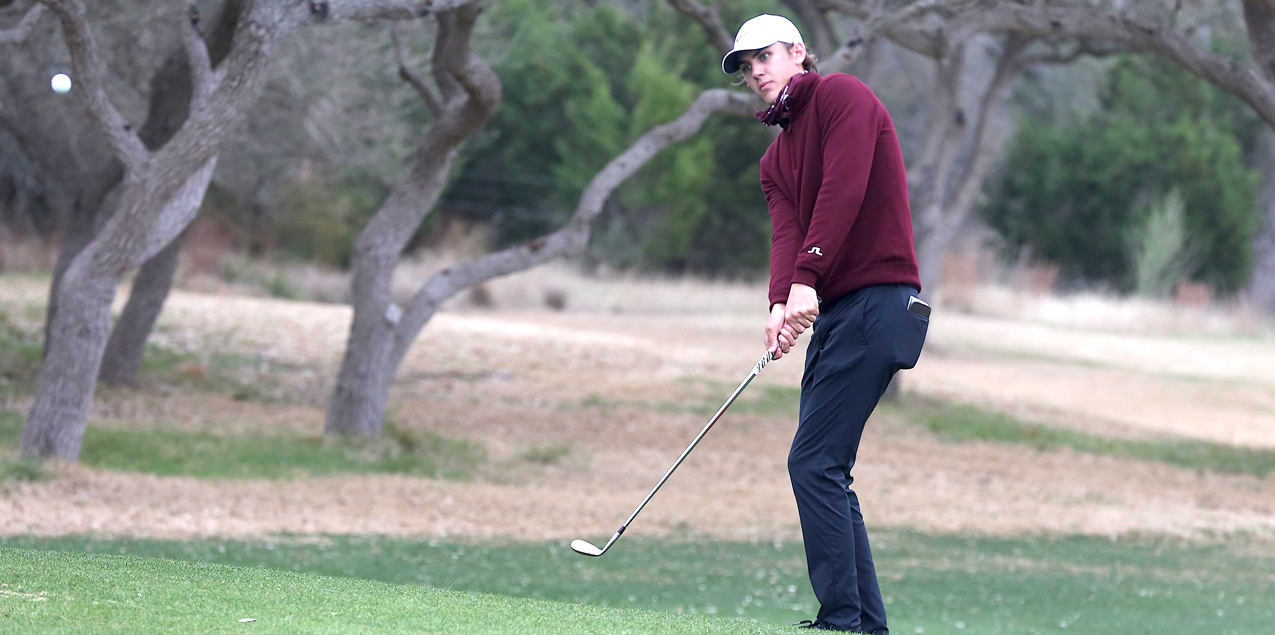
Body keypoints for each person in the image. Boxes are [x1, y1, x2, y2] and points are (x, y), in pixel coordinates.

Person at [722, 14, 930, 634]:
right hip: (843, 313)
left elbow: (844, 189)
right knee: (825, 468)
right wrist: (779, 304)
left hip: (880, 300)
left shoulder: (843, 96)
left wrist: (808, 279)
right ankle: (864, 625)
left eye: (765, 56)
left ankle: (843, 622)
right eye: (746, 64)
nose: (756, 71)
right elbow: (787, 233)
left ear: (797, 53)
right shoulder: (775, 158)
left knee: (813, 465)